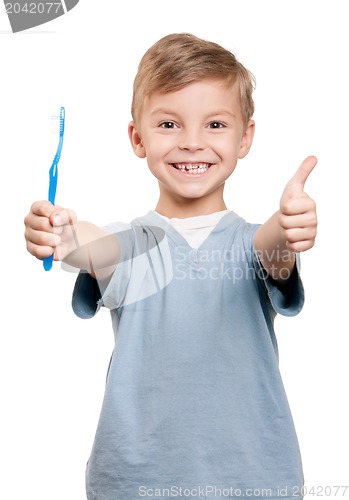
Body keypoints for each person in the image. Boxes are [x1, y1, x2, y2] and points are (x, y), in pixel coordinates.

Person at [24, 33, 317, 500]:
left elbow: (273, 249)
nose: (192, 143)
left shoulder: (255, 243)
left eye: (216, 125)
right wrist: (61, 234)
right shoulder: (130, 246)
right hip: (135, 482)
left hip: (254, 480)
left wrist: (290, 225)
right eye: (169, 125)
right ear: (138, 138)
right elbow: (95, 247)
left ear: (246, 137)